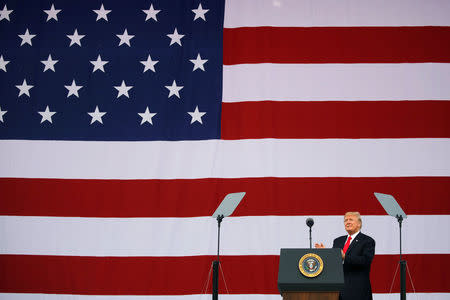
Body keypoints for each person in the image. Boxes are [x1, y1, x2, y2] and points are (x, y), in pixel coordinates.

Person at [315, 212, 375, 300]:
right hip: (337, 289)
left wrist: (345, 257)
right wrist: (326, 254)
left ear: (359, 224)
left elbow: (365, 261)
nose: (347, 222)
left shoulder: (367, 241)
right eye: (345, 220)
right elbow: (333, 262)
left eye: (351, 219)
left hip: (357, 290)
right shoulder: (338, 241)